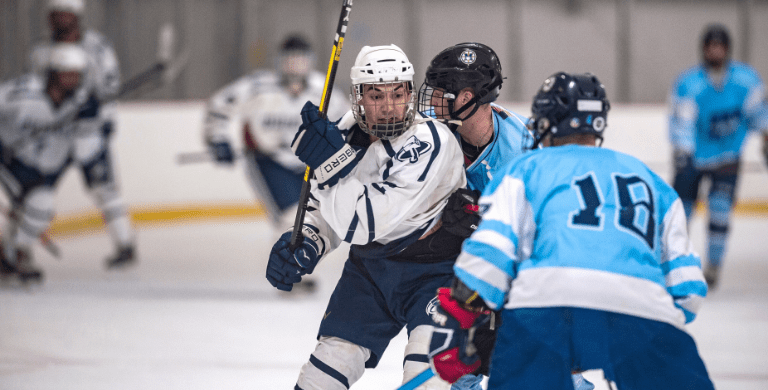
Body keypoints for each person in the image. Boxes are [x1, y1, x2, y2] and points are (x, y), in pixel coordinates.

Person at [427, 71, 715, 390]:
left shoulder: (526, 171)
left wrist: (456, 320)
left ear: (547, 120)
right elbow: (688, 288)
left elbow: (488, 260)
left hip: (553, 307)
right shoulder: (650, 180)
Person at [265, 44, 470, 390]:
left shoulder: (431, 141)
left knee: (427, 380)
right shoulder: (343, 134)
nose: (389, 106)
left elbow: (365, 222)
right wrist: (309, 240)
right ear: (358, 97)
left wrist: (332, 165)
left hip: (438, 272)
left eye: (397, 93)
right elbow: (325, 209)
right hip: (371, 272)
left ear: (409, 92)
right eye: (376, 95)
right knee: (319, 379)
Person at [418, 43, 592, 390]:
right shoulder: (431, 139)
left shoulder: (527, 149)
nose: (433, 102)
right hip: (460, 275)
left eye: (442, 93)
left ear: (467, 97)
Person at [203, 34, 347, 241]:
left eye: (300, 58)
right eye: (290, 58)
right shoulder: (258, 86)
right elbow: (219, 105)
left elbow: (343, 124)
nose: (295, 64)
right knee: (292, 216)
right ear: (280, 61)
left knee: (316, 218)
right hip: (270, 161)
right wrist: (218, 140)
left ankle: (295, 263)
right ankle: (293, 269)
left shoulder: (323, 89)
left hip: (310, 164)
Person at [30, 0, 136, 269]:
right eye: (55, 14)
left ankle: (125, 244)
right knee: (35, 190)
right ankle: (17, 249)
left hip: (89, 134)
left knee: (106, 190)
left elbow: (111, 83)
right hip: (54, 135)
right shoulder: (41, 51)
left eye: (64, 13)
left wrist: (103, 114)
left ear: (76, 15)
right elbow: (33, 90)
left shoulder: (98, 47)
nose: (59, 19)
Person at [668, 23, 768, 289]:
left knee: (721, 212)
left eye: (719, 46)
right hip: (695, 156)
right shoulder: (690, 83)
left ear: (727, 49)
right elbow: (682, 121)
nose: (715, 51)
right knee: (681, 212)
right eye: (711, 46)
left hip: (728, 157)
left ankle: (713, 266)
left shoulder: (746, 80)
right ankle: (676, 263)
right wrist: (683, 151)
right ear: (703, 50)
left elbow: (759, 114)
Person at [0, 43, 91, 283]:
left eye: (76, 75)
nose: (72, 81)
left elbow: (86, 152)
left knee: (42, 204)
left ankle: (16, 252)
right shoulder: (22, 93)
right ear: (52, 73)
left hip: (34, 170)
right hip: (5, 158)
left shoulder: (82, 103)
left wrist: (90, 124)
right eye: (66, 74)